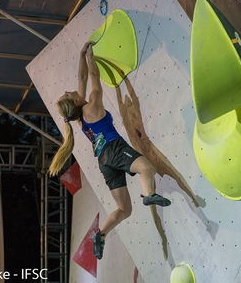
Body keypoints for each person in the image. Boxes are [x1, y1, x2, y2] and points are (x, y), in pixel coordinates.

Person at [48, 41, 171, 260]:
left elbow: (82, 78)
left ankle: (101, 234)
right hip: (114, 148)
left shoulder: (79, 119)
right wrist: (91, 56)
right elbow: (93, 78)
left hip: (104, 162)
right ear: (75, 100)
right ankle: (150, 195)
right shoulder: (92, 104)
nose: (69, 89)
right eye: (67, 93)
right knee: (147, 168)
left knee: (124, 210)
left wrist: (81, 54)